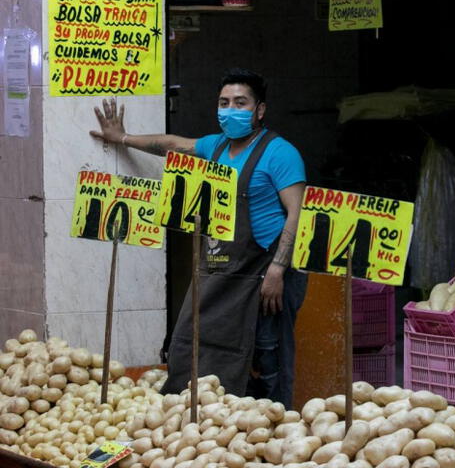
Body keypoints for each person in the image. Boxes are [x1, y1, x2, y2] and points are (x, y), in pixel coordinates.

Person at [90, 68, 308, 408]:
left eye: (240, 102)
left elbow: (298, 214)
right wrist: (122, 138)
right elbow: (173, 145)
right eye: (224, 102)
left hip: (266, 272)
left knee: (269, 354)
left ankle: (278, 422)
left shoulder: (280, 153)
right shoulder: (216, 146)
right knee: (197, 341)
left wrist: (278, 270)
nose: (230, 109)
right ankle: (224, 419)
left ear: (259, 110)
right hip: (225, 271)